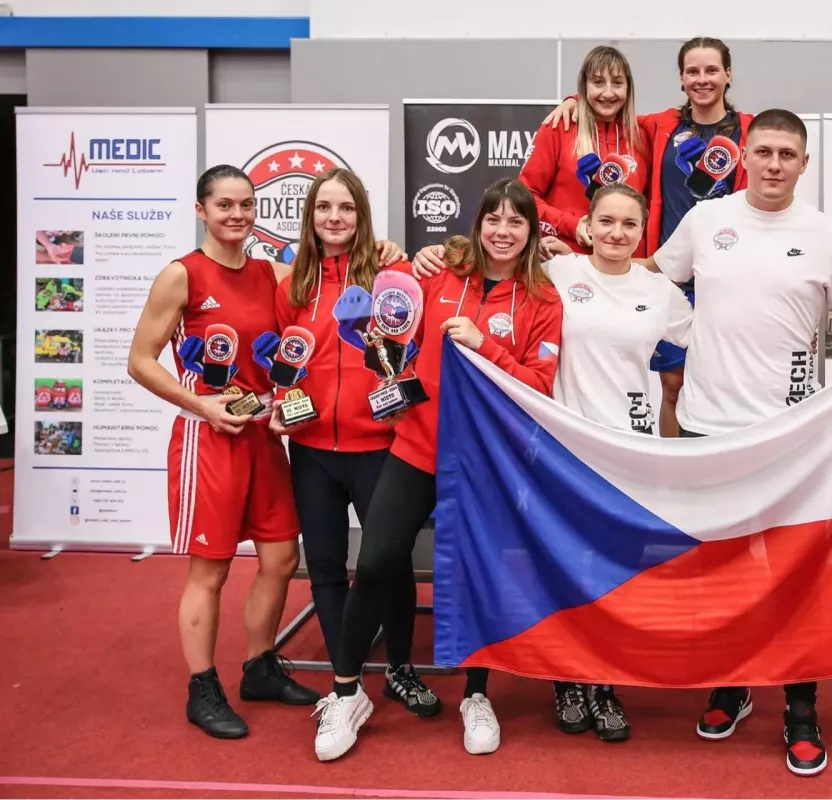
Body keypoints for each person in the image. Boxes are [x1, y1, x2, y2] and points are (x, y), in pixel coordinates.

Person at [635, 109, 832, 777]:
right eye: (765, 151)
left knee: (792, 579)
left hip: (790, 436)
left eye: (788, 154)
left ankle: (800, 708)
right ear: (743, 154)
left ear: (805, 164)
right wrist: (563, 267)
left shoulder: (824, 235)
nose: (775, 163)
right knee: (716, 571)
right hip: (705, 427)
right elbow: (644, 283)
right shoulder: (704, 223)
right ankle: (732, 684)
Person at [412, 182, 693, 741]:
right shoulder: (559, 274)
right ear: (587, 225)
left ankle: (605, 685)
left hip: (626, 450)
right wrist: (426, 252)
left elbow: (713, 343)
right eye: (606, 221)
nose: (617, 233)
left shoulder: (660, 292)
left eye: (629, 225)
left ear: (643, 233)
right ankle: (566, 680)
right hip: (558, 447)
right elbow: (489, 257)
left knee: (612, 575)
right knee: (559, 566)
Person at [312, 178, 564, 762]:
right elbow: (392, 325)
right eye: (493, 219)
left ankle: (477, 695)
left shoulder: (544, 302)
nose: (503, 231)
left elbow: (539, 388)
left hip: (489, 462)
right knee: (374, 563)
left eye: (516, 222)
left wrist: (485, 346)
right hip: (417, 447)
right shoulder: (438, 276)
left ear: (531, 232)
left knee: (478, 576)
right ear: (478, 224)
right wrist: (381, 326)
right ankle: (346, 692)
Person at [127, 165, 320, 739]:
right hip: (208, 436)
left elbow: (332, 273)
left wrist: (384, 249)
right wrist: (201, 404)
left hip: (261, 432)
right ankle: (202, 685)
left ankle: (260, 666)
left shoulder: (269, 272)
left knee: (282, 558)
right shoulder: (181, 275)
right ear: (201, 211)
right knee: (209, 571)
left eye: (246, 204)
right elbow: (140, 361)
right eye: (225, 205)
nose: (237, 215)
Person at [271, 167, 445, 719]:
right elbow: (286, 362)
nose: (334, 218)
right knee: (323, 563)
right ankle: (348, 679)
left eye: (345, 208)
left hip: (379, 445)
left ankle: (399, 666)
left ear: (362, 215)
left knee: (385, 563)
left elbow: (414, 345)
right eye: (324, 208)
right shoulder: (293, 284)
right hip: (313, 449)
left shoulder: (391, 272)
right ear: (310, 216)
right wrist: (281, 405)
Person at [543, 36, 754, 437]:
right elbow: (608, 107)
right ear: (681, 78)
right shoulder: (658, 126)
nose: (702, 79)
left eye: (711, 70)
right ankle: (671, 477)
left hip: (723, 274)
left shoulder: (749, 129)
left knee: (723, 380)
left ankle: (720, 473)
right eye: (693, 71)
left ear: (728, 74)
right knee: (671, 384)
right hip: (667, 274)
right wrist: (575, 98)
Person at [519, 45, 650, 257]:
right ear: (585, 86)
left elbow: (649, 208)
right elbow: (524, 198)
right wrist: (571, 224)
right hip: (564, 261)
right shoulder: (559, 128)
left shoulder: (642, 138)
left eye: (617, 83)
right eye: (598, 82)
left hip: (624, 269)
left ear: (628, 88)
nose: (608, 92)